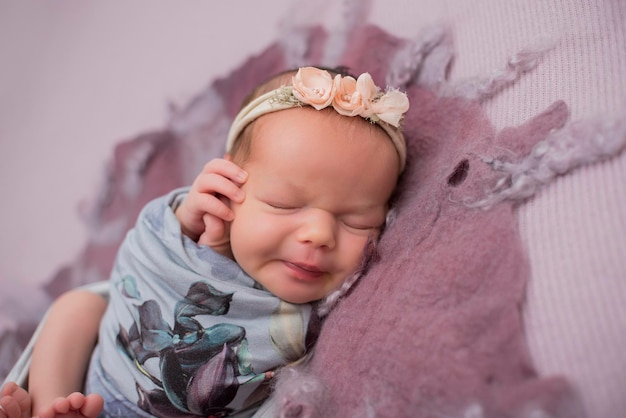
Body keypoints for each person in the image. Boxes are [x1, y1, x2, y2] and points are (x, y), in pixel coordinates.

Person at [0, 66, 409, 418]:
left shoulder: (323, 319)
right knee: (79, 307)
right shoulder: (182, 235)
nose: (319, 235)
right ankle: (49, 406)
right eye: (284, 204)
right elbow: (139, 279)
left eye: (356, 221)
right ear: (227, 186)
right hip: (93, 384)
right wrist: (188, 231)